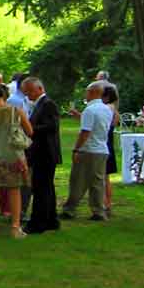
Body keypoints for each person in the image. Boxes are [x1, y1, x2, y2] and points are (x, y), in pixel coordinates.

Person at [0, 83, 33, 238]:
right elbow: (30, 131)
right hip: (13, 154)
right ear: (4, 96)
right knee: (14, 190)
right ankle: (15, 227)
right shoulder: (17, 111)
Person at [60, 81, 115, 221]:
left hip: (89, 149)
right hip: (102, 148)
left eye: (87, 91)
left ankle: (70, 209)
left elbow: (85, 131)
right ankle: (98, 211)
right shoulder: (106, 109)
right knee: (97, 182)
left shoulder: (90, 110)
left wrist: (76, 149)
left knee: (78, 180)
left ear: (92, 92)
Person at [20, 76, 61, 234]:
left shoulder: (48, 104)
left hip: (45, 152)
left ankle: (38, 222)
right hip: (41, 152)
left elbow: (51, 126)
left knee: (41, 188)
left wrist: (30, 128)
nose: (28, 95)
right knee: (46, 187)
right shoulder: (38, 105)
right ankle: (51, 219)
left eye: (30, 91)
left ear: (39, 89)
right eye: (26, 92)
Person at [101, 81, 120, 216]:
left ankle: (105, 203)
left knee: (103, 177)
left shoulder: (107, 108)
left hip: (105, 143)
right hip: (109, 143)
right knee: (105, 176)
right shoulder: (114, 109)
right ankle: (107, 203)